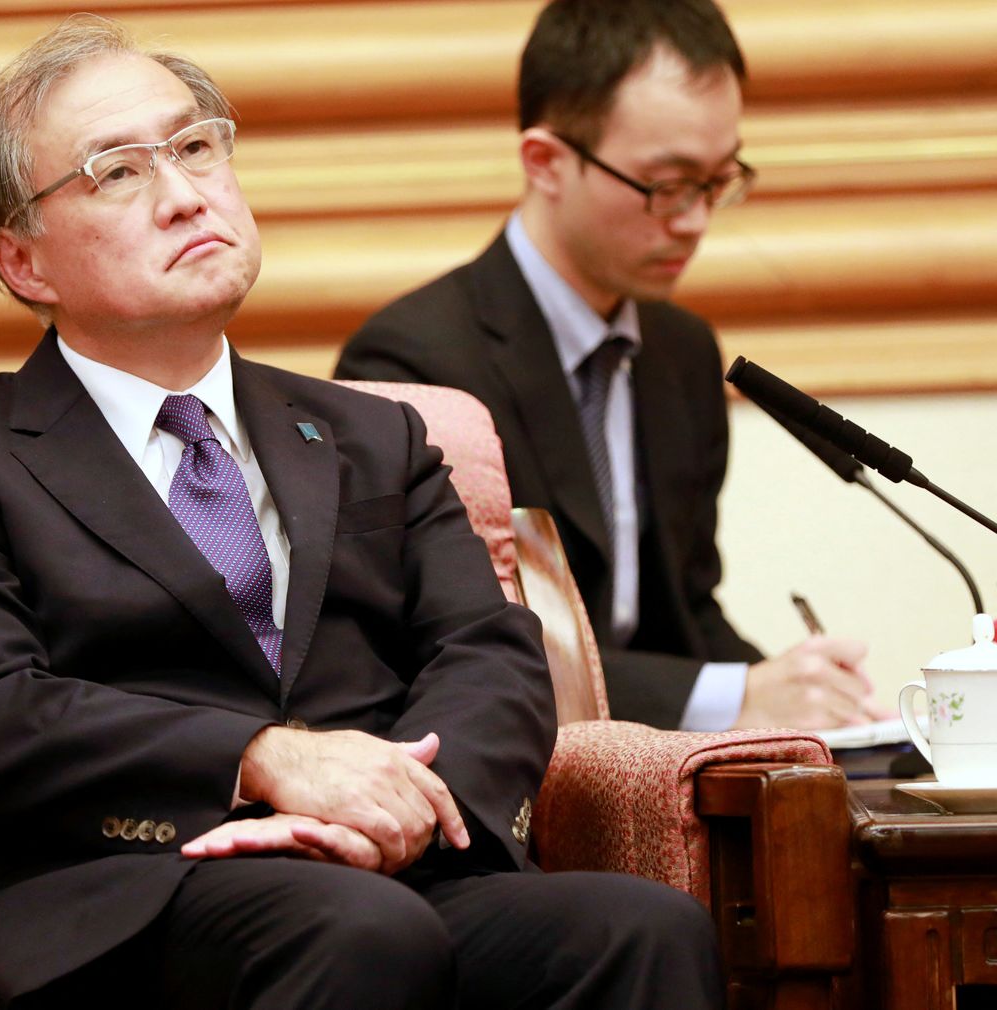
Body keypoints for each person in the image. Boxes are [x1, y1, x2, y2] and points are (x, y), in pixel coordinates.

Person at [0, 15, 722, 1010]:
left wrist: (400, 812)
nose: (183, 196)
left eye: (193, 147)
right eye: (118, 173)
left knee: (638, 928)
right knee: (352, 928)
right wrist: (262, 761)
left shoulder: (374, 433)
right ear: (23, 263)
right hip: (124, 898)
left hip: (390, 870)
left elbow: (487, 653)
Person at [337, 0, 886, 732]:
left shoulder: (683, 350)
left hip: (655, 773)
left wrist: (803, 696)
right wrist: (731, 697)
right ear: (546, 162)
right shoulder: (415, 363)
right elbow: (455, 649)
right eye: (666, 184)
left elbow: (683, 613)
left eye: (719, 181)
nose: (694, 219)